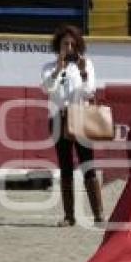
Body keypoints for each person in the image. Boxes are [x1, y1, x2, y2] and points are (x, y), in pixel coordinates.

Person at [41, 24, 104, 227]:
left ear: (78, 47)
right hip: (59, 118)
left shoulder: (86, 65)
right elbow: (47, 89)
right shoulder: (49, 67)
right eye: (65, 44)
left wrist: (84, 74)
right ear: (58, 46)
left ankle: (99, 215)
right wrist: (58, 69)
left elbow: (90, 92)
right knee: (65, 167)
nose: (68, 48)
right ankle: (69, 216)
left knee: (88, 165)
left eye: (72, 44)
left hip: (80, 116)